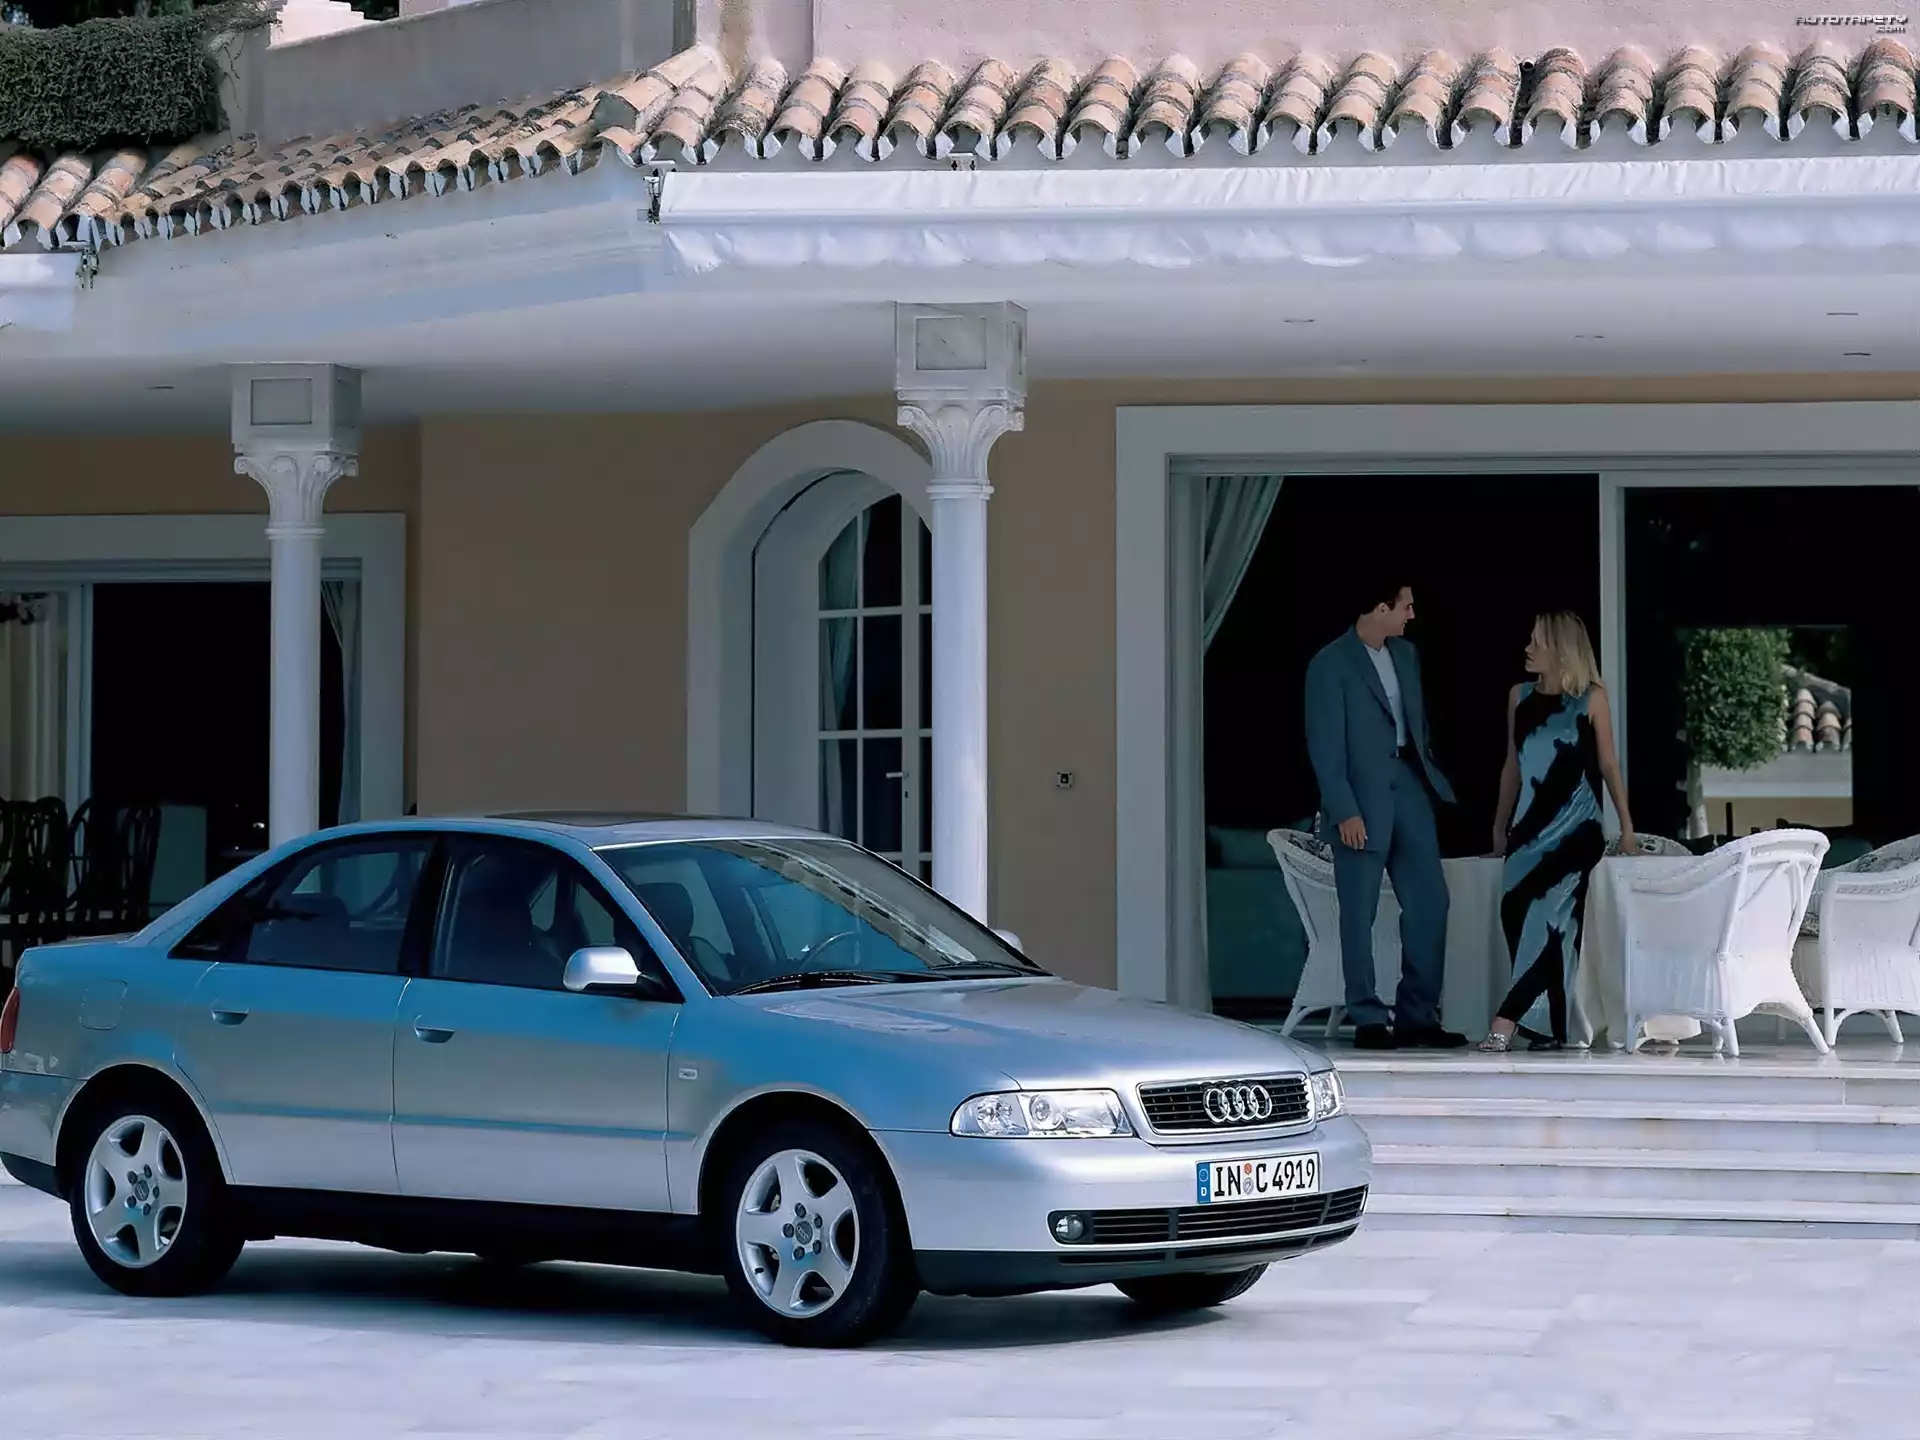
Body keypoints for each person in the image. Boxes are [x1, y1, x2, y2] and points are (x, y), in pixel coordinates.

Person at [1304, 579, 1465, 1051]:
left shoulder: (1406, 655)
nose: (1412, 615)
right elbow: (1324, 747)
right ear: (1380, 607)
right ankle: (1368, 1017)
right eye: (1405, 606)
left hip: (1407, 784)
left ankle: (1417, 1015)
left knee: (1431, 900)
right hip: (1359, 795)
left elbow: (1416, 725)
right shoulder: (1330, 664)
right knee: (1359, 910)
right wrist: (1344, 809)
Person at [1480, 611, 1639, 1053]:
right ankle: (1549, 1028)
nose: (1528, 648)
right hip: (1527, 833)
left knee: (1547, 923)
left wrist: (1627, 826)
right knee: (1517, 915)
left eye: (1537, 641)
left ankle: (1505, 1020)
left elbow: (1608, 765)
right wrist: (1499, 828)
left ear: (1560, 648)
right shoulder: (1519, 696)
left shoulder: (1592, 698)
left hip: (1576, 833)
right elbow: (1512, 767)